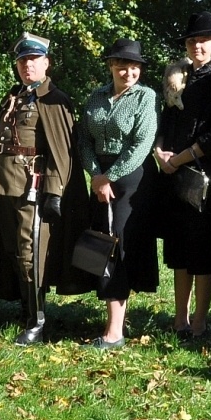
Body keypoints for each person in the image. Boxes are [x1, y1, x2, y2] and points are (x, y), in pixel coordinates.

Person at [0, 33, 77, 346]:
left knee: (31, 255)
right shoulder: (14, 96)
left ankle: (37, 321)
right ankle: (25, 307)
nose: (28, 65)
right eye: (23, 60)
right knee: (14, 251)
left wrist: (55, 192)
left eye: (34, 60)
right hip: (6, 185)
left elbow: (61, 151)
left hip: (33, 187)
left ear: (46, 63)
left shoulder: (54, 100)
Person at [154, 12, 211, 340]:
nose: (198, 46)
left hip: (204, 178)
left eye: (204, 41)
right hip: (173, 175)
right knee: (178, 250)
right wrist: (160, 151)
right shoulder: (177, 77)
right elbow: (166, 121)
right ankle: (180, 318)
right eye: (192, 41)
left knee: (202, 251)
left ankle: (200, 320)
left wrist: (183, 158)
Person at [76, 39, 159, 349]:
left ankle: (115, 332)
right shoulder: (96, 96)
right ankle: (112, 319)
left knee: (119, 247)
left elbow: (141, 145)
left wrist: (109, 177)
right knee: (100, 243)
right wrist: (96, 174)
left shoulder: (146, 97)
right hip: (99, 175)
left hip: (131, 178)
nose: (128, 72)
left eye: (134, 67)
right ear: (111, 66)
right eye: (122, 65)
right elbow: (84, 139)